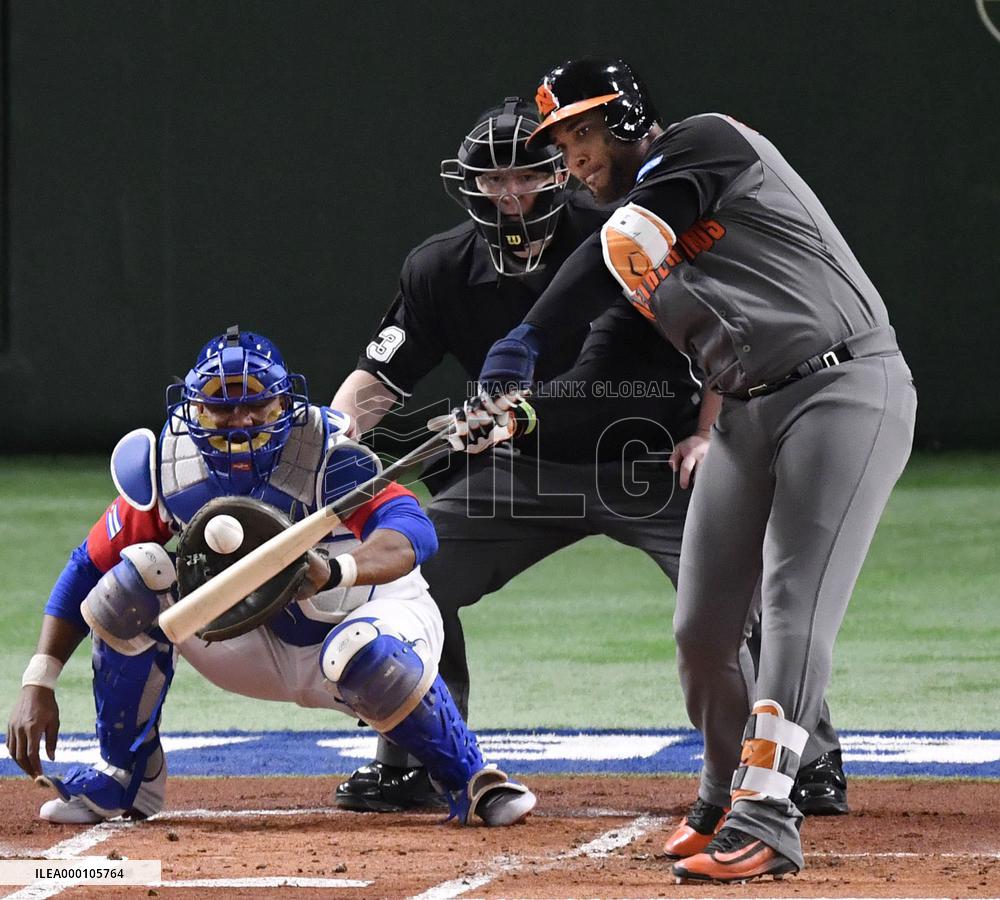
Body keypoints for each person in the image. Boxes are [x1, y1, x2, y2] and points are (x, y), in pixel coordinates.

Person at [330, 97, 848, 826]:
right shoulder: (439, 267)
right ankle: (415, 756)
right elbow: (378, 382)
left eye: (530, 176)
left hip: (650, 458)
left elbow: (715, 339)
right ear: (470, 184)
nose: (511, 195)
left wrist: (708, 433)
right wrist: (329, 442)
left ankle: (807, 758)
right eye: (494, 179)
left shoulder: (620, 236)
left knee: (746, 598)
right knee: (406, 565)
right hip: (526, 469)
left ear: (561, 173)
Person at [471, 60, 916, 883]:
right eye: (560, 143)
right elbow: (601, 351)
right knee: (704, 628)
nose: (571, 157)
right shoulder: (633, 240)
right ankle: (718, 800)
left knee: (791, 607)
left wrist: (527, 335)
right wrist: (519, 388)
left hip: (846, 388)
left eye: (581, 131)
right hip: (750, 411)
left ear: (628, 115)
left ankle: (769, 819)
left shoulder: (708, 143)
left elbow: (623, 244)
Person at [5, 326, 534, 829]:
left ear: (285, 404)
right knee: (132, 580)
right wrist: (39, 680)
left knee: (356, 648)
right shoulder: (171, 465)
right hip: (247, 640)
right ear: (194, 410)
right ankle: (127, 777)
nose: (240, 421)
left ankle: (469, 780)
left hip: (360, 622)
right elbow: (86, 565)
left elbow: (414, 534)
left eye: (255, 403)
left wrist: (337, 570)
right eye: (220, 407)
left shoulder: (329, 456)